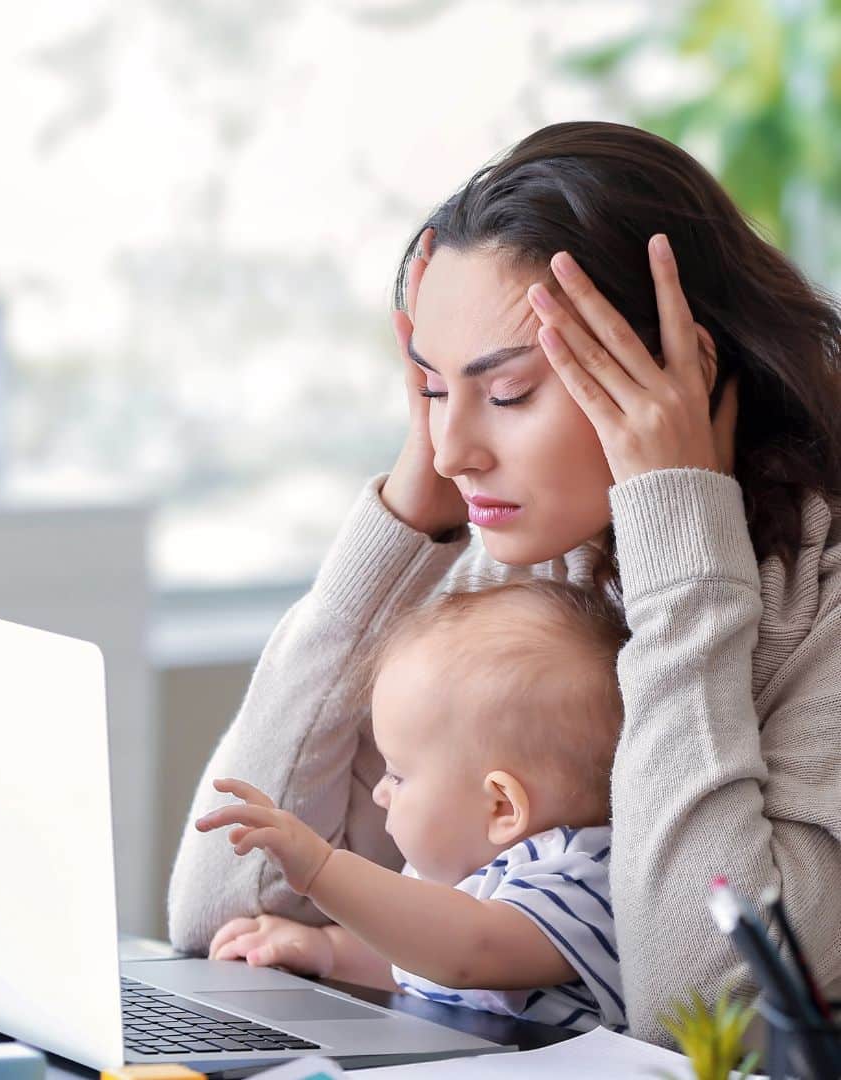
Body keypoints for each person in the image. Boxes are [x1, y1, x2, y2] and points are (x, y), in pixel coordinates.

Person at [167, 120, 841, 1047]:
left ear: (680, 376)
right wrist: (408, 517)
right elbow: (220, 912)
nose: (454, 450)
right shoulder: (522, 553)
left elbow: (706, 1017)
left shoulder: (822, 602)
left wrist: (681, 543)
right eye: (433, 389)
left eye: (510, 391)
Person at [195, 580, 630, 1034]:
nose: (381, 793)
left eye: (397, 775)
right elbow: (418, 962)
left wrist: (322, 871)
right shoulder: (458, 887)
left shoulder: (581, 875)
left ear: (501, 807)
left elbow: (468, 953)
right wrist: (326, 950)